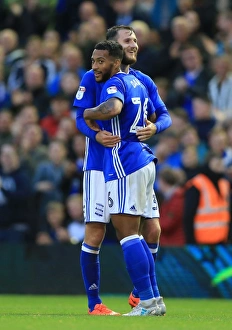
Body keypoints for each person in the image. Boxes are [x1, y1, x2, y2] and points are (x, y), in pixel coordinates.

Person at [74, 25, 171, 316]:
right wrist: (94, 134)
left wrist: (155, 127)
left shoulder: (139, 80)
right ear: (114, 47)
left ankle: (144, 295)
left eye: (136, 40)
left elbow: (163, 115)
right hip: (99, 165)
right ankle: (97, 303)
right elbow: (79, 118)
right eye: (128, 40)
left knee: (148, 228)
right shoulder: (94, 77)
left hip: (126, 160)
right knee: (96, 232)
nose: (135, 45)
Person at [183, 152, 231, 244]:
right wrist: (191, 241)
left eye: (221, 163)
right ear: (209, 163)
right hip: (202, 242)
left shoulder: (224, 183)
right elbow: (188, 216)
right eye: (217, 162)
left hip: (222, 240)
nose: (220, 165)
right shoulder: (197, 184)